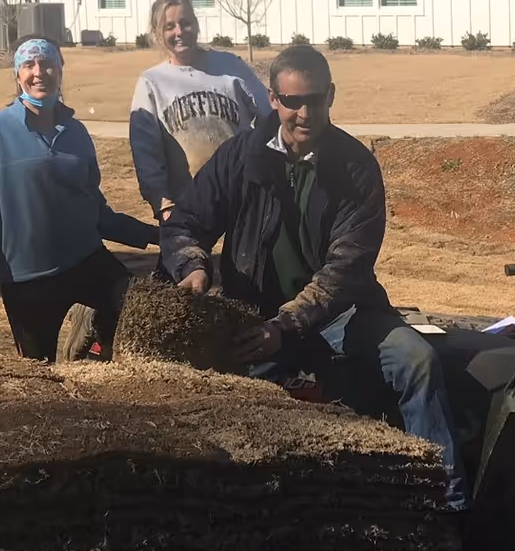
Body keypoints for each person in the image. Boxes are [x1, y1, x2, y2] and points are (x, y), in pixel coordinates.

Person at [158, 43, 468, 509]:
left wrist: (285, 326)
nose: (305, 113)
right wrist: (194, 266)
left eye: (316, 100)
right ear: (272, 99)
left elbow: (345, 269)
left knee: (417, 359)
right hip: (252, 312)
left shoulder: (356, 168)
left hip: (342, 312)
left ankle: (450, 504)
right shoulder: (240, 156)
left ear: (331, 96)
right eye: (294, 102)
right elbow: (185, 223)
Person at [0, 37, 158, 361]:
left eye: (47, 63)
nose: (39, 71)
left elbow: (95, 212)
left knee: (137, 310)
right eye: (29, 65)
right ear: (18, 76)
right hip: (27, 280)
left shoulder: (77, 134)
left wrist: (155, 235)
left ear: (60, 71)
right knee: (38, 372)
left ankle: (95, 339)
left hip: (86, 261)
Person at [129, 0, 270, 223]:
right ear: (157, 33)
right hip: (187, 205)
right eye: (169, 26)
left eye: (185, 23)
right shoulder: (151, 83)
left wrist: (262, 164)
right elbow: (146, 152)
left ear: (195, 24)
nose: (179, 32)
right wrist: (163, 204)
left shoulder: (230, 67)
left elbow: (269, 116)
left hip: (243, 197)